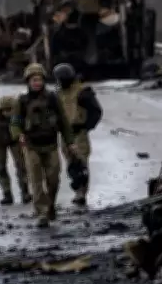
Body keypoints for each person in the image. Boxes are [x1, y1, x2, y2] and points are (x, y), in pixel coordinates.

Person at [10, 63, 77, 228]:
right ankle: (41, 213)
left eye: (39, 80)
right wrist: (19, 135)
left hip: (51, 145)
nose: (37, 83)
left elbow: (63, 122)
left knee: (54, 179)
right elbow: (15, 122)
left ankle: (50, 205)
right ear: (28, 82)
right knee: (36, 181)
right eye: (34, 80)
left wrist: (70, 142)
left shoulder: (52, 98)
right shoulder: (22, 101)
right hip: (31, 146)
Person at [53, 63, 103, 206]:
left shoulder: (82, 92)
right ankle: (77, 190)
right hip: (65, 134)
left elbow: (96, 111)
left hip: (78, 132)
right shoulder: (58, 93)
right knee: (71, 164)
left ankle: (81, 193)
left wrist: (86, 126)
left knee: (81, 163)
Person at [0, 96, 30, 205]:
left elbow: (25, 125)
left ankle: (25, 192)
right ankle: (7, 194)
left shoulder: (18, 113)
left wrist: (23, 137)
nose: (8, 113)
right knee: (1, 167)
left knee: (21, 165)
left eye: (10, 109)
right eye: (5, 110)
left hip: (14, 140)